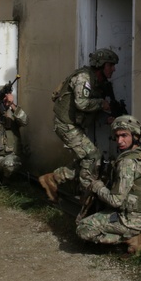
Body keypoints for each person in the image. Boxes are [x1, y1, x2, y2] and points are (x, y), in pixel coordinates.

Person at [76, 115, 141, 255]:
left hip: (132, 221)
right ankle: (135, 235)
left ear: (135, 135)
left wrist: (97, 186)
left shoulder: (127, 163)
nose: (119, 141)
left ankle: (131, 240)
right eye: (117, 136)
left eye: (124, 135)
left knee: (83, 228)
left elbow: (116, 201)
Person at [38, 48, 119, 202]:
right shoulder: (84, 78)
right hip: (65, 124)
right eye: (111, 65)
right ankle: (86, 193)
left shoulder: (99, 82)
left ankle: (54, 179)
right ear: (101, 65)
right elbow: (82, 103)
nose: (113, 69)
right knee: (93, 156)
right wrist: (101, 103)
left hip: (74, 125)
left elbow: (92, 107)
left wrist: (107, 117)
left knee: (86, 159)